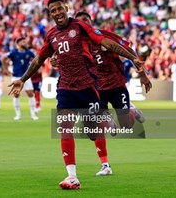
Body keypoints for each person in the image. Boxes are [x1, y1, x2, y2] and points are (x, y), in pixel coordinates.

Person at [8, 0, 144, 190]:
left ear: (66, 8)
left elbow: (106, 41)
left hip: (88, 87)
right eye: (53, 11)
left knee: (92, 132)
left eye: (60, 9)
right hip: (65, 88)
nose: (57, 13)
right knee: (65, 128)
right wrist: (23, 79)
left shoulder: (80, 27)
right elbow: (39, 59)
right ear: (50, 14)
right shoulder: (52, 35)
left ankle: (127, 111)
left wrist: (132, 58)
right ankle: (72, 177)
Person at [50, 11, 152, 177]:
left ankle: (130, 110)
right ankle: (105, 164)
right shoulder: (73, 40)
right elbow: (60, 56)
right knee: (99, 129)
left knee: (126, 125)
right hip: (95, 87)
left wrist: (142, 73)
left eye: (86, 20)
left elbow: (127, 48)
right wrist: (54, 61)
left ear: (90, 22)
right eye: (80, 21)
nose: (84, 24)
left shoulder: (103, 36)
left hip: (116, 84)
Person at [2, 37, 38, 120]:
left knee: (30, 93)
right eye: (23, 42)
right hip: (16, 76)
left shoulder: (29, 52)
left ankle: (33, 114)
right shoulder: (13, 52)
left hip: (26, 76)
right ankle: (18, 115)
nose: (25, 43)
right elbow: (3, 58)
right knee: (16, 94)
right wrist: (6, 69)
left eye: (25, 42)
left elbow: (36, 59)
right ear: (17, 43)